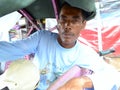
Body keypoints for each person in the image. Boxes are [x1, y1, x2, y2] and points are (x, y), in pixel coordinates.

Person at [0, 0, 120, 90]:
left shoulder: (85, 54)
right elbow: (12, 49)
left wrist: (83, 81)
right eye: (63, 19)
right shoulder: (42, 38)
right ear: (58, 23)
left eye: (75, 20)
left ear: (83, 24)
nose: (68, 25)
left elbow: (114, 76)